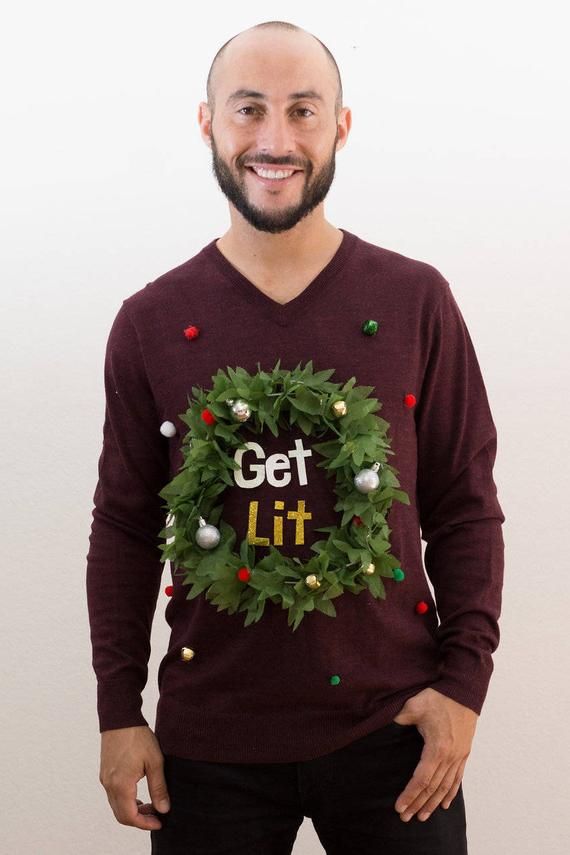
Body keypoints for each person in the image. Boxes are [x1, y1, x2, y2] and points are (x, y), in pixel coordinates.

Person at [86, 19, 506, 855]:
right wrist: (118, 711)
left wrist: (463, 686)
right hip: (209, 743)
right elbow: (126, 527)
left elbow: (465, 507)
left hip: (396, 732)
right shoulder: (150, 322)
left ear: (340, 127)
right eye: (248, 110)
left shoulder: (416, 300)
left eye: (303, 111)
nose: (274, 140)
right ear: (207, 123)